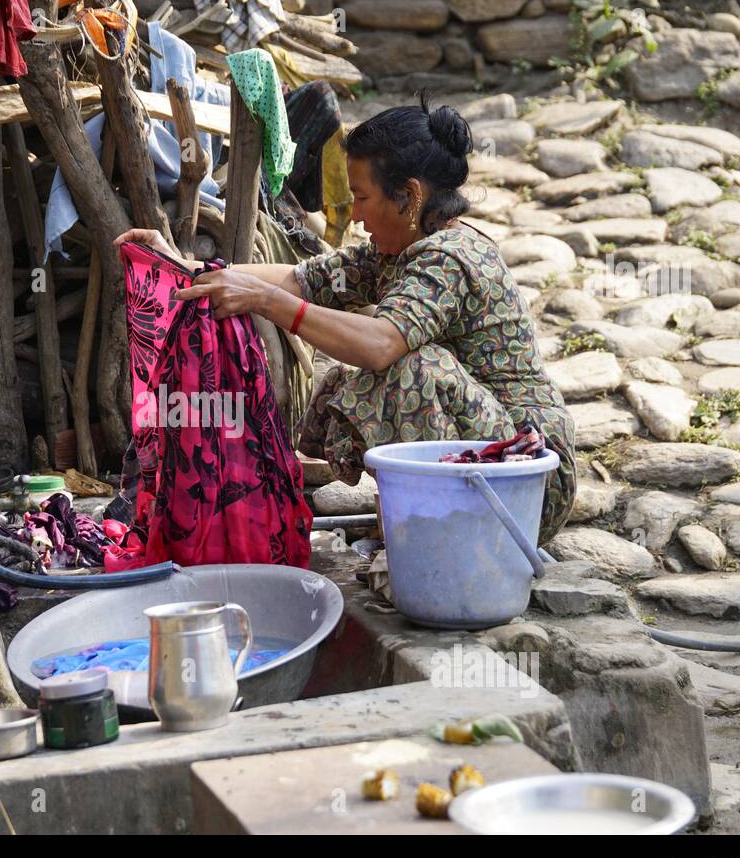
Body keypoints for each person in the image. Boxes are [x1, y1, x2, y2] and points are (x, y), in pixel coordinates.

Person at [114, 94, 576, 543]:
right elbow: (302, 279)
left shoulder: (448, 258)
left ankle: (451, 535)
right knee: (390, 370)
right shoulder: (398, 249)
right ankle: (434, 529)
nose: (354, 216)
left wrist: (263, 302)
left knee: (413, 369)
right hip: (501, 461)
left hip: (531, 473)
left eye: (361, 197)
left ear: (410, 196)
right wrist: (184, 267)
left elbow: (379, 344)